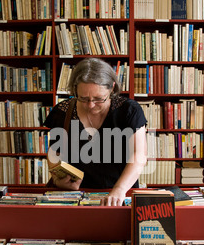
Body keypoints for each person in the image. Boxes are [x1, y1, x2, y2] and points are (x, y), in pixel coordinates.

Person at [44, 58, 147, 206]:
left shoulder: (129, 111)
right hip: (75, 198)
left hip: (118, 196)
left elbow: (139, 155)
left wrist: (119, 189)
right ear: (75, 90)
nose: (91, 105)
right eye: (83, 98)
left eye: (99, 99)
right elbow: (55, 154)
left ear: (111, 88)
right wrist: (58, 179)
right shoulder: (62, 112)